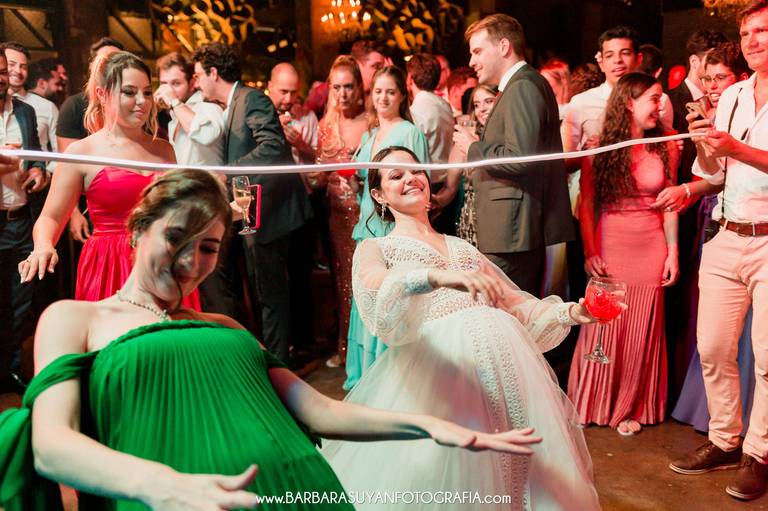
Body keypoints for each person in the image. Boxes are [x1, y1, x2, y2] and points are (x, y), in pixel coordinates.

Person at [0, 167, 541, 510]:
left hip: (297, 494)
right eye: (176, 237)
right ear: (139, 229)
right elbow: (51, 446)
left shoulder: (227, 326)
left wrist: (432, 427)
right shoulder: (74, 318)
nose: (190, 260)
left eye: (209, 248)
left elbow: (321, 412)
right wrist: (166, 486)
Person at [322, 146, 602, 511]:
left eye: (416, 171)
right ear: (378, 195)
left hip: (505, 363)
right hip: (444, 373)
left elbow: (512, 302)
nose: (410, 179)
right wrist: (432, 277)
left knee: (523, 459)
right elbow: (375, 285)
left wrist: (572, 311)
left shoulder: (460, 246)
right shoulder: (376, 247)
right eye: (396, 176)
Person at [668, 1, 768, 500]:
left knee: (767, 358)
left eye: (763, 30)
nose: (753, 40)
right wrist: (704, 147)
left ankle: (759, 454)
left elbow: (739, 154)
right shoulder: (731, 95)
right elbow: (715, 169)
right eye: (747, 32)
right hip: (726, 233)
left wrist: (734, 148)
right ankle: (725, 439)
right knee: (712, 347)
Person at [17, 51, 200, 310]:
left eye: (147, 92)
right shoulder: (82, 152)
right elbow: (51, 217)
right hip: (109, 263)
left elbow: (178, 211)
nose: (142, 101)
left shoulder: (164, 150)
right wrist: (43, 246)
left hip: (162, 260)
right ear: (102, 95)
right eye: (129, 92)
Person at [567, 72, 680, 436]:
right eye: (654, 98)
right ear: (630, 102)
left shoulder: (666, 146)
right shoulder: (600, 147)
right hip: (610, 244)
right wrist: (590, 250)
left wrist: (673, 252)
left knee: (641, 330)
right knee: (602, 327)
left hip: (651, 246)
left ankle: (633, 404)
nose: (660, 105)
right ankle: (593, 401)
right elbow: (587, 203)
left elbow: (670, 204)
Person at [191, 42, 313, 363]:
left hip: (273, 213)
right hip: (255, 212)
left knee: (271, 295)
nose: (196, 82)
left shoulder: (252, 98)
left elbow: (271, 146)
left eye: (198, 75)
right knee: (261, 293)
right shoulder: (233, 103)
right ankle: (270, 360)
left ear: (214, 73)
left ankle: (277, 367)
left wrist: (227, 172)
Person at [658, 42, 754, 435]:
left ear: (740, 78)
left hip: (754, 228)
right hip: (719, 222)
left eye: (721, 78)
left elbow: (730, 174)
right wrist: (691, 182)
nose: (713, 86)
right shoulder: (717, 113)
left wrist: (689, 188)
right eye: (708, 79)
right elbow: (714, 174)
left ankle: (751, 436)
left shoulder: (746, 115)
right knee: (712, 338)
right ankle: (719, 427)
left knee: (753, 343)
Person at [454, 14, 574, 296]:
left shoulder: (523, 87)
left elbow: (520, 158)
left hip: (513, 232)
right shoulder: (520, 85)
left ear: (504, 46)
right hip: (511, 229)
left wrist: (473, 146)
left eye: (478, 51)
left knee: (505, 313)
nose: (472, 61)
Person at [344, 65, 429, 390]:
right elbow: (364, 178)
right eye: (378, 91)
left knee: (390, 297)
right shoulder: (370, 134)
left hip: (393, 225)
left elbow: (419, 180)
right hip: (368, 221)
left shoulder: (409, 132)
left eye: (390, 92)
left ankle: (389, 379)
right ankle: (365, 375)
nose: (383, 98)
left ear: (402, 96)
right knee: (367, 295)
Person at [316, 55, 367, 369]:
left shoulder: (370, 122)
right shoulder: (326, 125)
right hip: (337, 215)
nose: (343, 93)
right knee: (343, 283)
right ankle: (347, 350)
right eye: (337, 87)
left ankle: (369, 351)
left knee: (365, 280)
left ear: (359, 87)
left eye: (348, 86)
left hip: (366, 213)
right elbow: (320, 174)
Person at [433, 84, 497, 247]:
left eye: (488, 101)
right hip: (472, 222)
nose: (482, 109)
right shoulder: (464, 141)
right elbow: (450, 188)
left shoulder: (508, 139)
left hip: (502, 217)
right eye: (477, 104)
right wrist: (436, 200)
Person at [154, 52, 225, 167]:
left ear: (192, 84)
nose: (168, 90)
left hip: (207, 179)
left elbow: (206, 135)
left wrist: (174, 101)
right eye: (164, 84)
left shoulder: (209, 107)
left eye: (176, 83)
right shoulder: (175, 115)